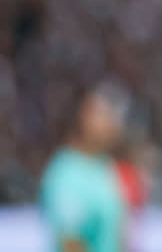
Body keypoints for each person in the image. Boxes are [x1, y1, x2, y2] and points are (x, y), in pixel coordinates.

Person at [40, 86, 128, 252]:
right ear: (81, 118)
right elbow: (71, 244)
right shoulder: (66, 174)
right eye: (102, 114)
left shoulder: (103, 165)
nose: (111, 121)